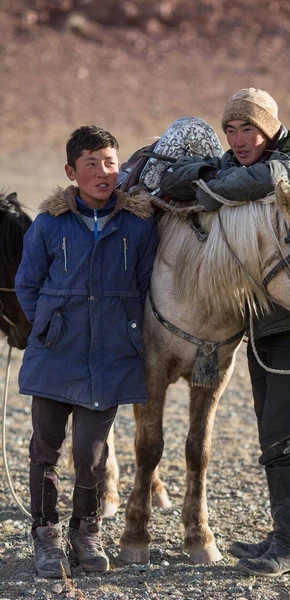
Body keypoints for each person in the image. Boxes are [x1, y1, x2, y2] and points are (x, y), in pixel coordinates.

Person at [159, 88, 290, 577]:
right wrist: (215, 174)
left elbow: (266, 179)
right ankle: (282, 536)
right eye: (229, 130)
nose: (238, 138)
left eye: (247, 128)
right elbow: (173, 177)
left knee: (283, 433)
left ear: (271, 126)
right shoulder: (232, 161)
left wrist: (213, 184)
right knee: (271, 435)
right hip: (259, 324)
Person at [15, 126, 158, 578]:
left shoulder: (138, 226)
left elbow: (147, 286)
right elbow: (27, 285)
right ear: (71, 171)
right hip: (56, 355)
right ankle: (46, 536)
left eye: (110, 162)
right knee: (45, 451)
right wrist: (52, 327)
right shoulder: (48, 224)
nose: (103, 172)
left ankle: (86, 532)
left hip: (112, 356)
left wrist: (128, 332)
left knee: (92, 454)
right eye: (91, 163)